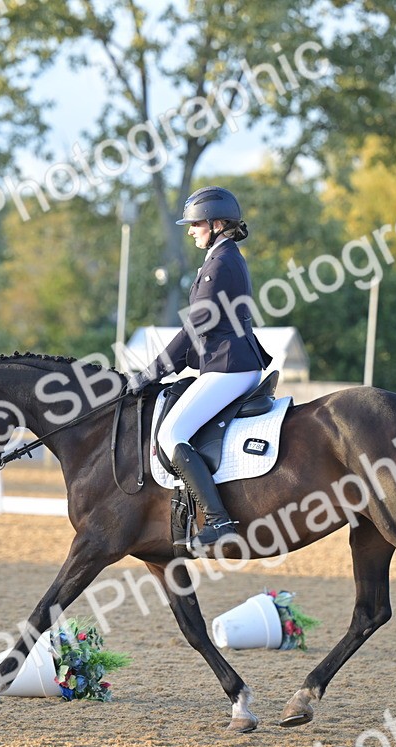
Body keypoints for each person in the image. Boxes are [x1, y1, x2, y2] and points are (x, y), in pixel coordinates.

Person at [126, 186, 272, 554]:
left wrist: (150, 373)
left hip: (229, 367)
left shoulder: (221, 262)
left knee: (171, 433)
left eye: (195, 224)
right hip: (227, 362)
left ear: (217, 223)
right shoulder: (220, 258)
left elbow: (195, 327)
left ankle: (219, 519)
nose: (190, 230)